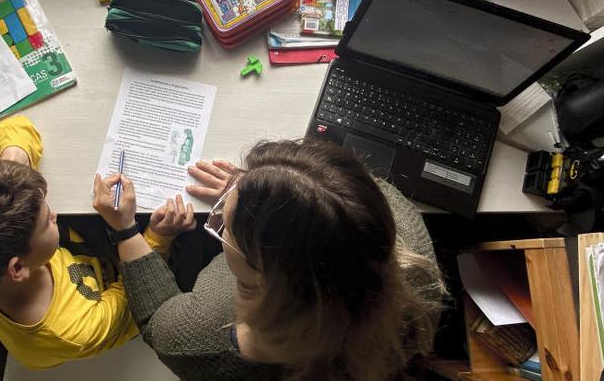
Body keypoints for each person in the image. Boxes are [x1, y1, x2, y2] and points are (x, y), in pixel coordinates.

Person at [93, 138, 447, 381]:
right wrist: (270, 187)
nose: (217, 218)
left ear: (265, 278)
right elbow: (350, 189)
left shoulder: (203, 337)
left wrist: (124, 230)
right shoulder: (408, 249)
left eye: (224, 224)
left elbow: (157, 319)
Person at [0, 116, 190, 370]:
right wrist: (151, 236)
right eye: (46, 219)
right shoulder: (75, 331)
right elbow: (138, 303)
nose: (56, 214)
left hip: (78, 260)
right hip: (119, 294)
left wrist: (14, 167)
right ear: (18, 268)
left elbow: (13, 126)